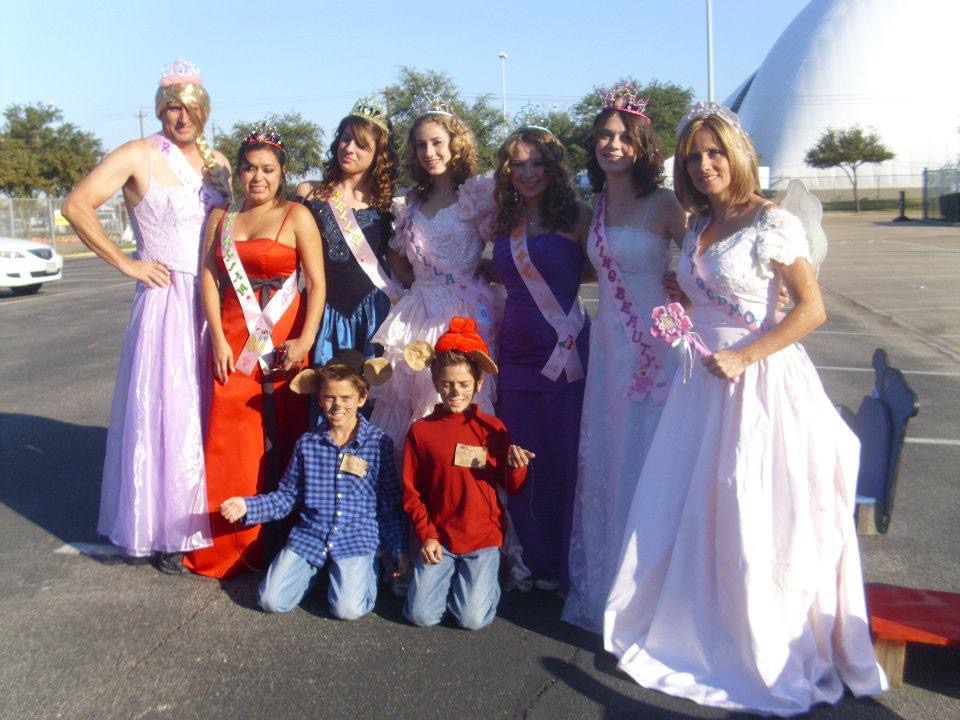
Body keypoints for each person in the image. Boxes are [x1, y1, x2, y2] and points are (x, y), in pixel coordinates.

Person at [603, 102, 886, 714]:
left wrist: (746, 355)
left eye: (715, 153)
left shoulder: (772, 221)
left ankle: (759, 632)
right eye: (694, 156)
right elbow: (710, 286)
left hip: (758, 382)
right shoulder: (700, 221)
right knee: (695, 502)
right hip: (701, 378)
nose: (705, 165)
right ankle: (695, 620)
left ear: (737, 154)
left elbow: (811, 310)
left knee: (750, 503)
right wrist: (687, 295)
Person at [62, 59, 231, 573]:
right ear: (161, 110)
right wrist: (125, 262)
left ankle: (213, 515)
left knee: (211, 410)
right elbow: (77, 205)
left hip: (213, 298)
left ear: (204, 110)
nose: (181, 117)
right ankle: (166, 529)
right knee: (167, 411)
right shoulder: (138, 153)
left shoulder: (218, 161)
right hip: (164, 298)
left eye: (190, 107)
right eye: (172, 108)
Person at [562, 85, 686, 629]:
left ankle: (657, 596)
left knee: (653, 460)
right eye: (603, 137)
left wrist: (681, 288)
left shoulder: (665, 203)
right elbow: (588, 270)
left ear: (641, 145)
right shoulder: (596, 207)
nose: (611, 145)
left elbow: (702, 259)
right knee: (611, 458)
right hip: (610, 349)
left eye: (622, 137)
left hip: (656, 351)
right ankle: (612, 586)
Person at [184, 123, 326, 579]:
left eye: (268, 169)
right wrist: (219, 339)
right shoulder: (222, 218)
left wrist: (304, 341)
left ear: (282, 172)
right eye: (249, 168)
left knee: (284, 439)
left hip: (284, 344)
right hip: (233, 341)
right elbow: (208, 276)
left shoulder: (296, 216)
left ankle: (282, 543)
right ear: (238, 172)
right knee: (231, 441)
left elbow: (317, 286)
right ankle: (229, 545)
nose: (257, 177)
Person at [218, 353, 407, 618]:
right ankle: (318, 572)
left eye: (346, 399)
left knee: (348, 609)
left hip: (356, 538)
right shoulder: (307, 444)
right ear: (319, 399)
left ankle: (367, 569)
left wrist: (397, 548)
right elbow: (287, 496)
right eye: (329, 398)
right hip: (311, 536)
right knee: (271, 600)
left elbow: (389, 503)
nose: (337, 406)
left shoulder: (379, 444)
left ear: (362, 398)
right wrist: (246, 505)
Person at [489, 122, 592, 592]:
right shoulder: (504, 222)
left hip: (562, 350)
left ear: (553, 168)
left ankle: (565, 562)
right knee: (521, 457)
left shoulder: (578, 216)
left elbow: (602, 268)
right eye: (518, 164)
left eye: (536, 163)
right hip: (514, 350)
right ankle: (531, 557)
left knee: (564, 458)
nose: (527, 173)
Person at [369, 99, 502, 451]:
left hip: (464, 313)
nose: (429, 152)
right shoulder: (409, 202)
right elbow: (399, 260)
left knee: (457, 398)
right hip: (417, 310)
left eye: (437, 142)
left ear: (455, 144)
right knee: (409, 400)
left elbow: (504, 250)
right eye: (421, 145)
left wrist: (478, 274)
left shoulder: (477, 194)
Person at [400, 318, 533, 630]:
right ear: (435, 382)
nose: (455, 392)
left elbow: (510, 488)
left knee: (471, 620)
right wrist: (427, 535)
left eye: (463, 384)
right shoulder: (421, 431)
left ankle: (484, 576)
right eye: (447, 384)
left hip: (482, 537)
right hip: (440, 538)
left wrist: (516, 469)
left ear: (478, 384)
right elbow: (411, 492)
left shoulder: (493, 428)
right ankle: (452, 581)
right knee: (421, 616)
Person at [294, 99, 402, 373]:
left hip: (373, 316)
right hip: (323, 314)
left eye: (361, 145)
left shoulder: (388, 205)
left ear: (379, 154)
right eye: (345, 139)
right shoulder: (309, 193)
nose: (349, 149)